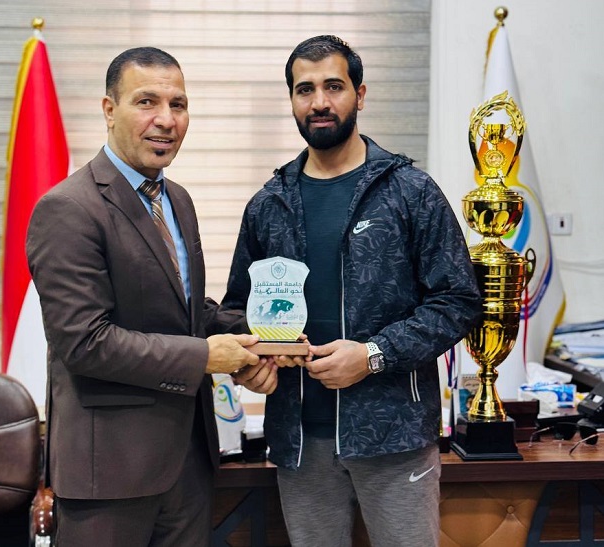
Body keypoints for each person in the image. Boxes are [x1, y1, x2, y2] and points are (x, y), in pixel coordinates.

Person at [222, 35, 483, 547]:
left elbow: (457, 300)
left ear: (359, 94)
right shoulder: (268, 204)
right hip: (300, 440)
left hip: (394, 436)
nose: (319, 101)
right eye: (305, 89)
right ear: (292, 100)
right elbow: (238, 309)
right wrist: (249, 361)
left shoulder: (411, 192)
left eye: (334, 86)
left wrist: (373, 355)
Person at [26, 47, 262, 547]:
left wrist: (259, 335)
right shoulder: (68, 208)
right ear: (109, 110)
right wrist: (204, 357)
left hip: (189, 464)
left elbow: (183, 310)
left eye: (178, 104)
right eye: (147, 102)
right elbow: (85, 342)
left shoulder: (178, 200)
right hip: (108, 473)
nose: (166, 120)